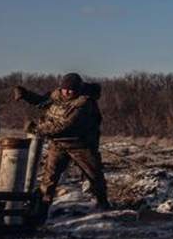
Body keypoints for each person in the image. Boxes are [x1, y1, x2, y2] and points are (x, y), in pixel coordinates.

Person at [13, 73, 110, 220]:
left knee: (94, 176)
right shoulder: (57, 95)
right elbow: (42, 102)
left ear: (78, 89)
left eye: (71, 90)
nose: (67, 92)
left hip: (81, 145)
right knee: (49, 179)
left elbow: (62, 126)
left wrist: (35, 129)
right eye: (65, 89)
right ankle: (41, 213)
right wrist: (26, 95)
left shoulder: (84, 103)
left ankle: (103, 206)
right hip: (58, 144)